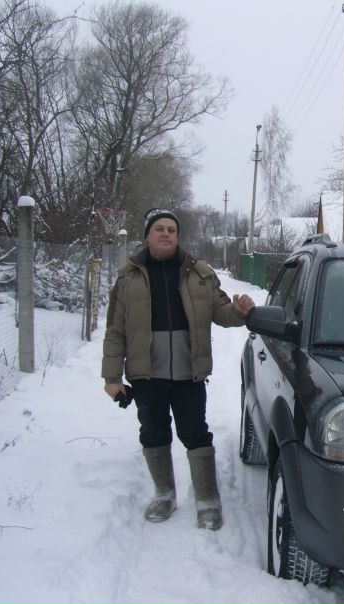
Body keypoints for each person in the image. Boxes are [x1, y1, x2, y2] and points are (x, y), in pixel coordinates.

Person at [101, 208, 255, 529]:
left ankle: (208, 500)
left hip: (189, 373)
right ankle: (164, 494)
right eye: (159, 229)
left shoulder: (199, 273)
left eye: (172, 229)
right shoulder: (127, 277)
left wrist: (239, 312)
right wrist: (112, 377)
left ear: (178, 236)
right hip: (146, 374)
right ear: (147, 235)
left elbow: (221, 312)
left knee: (194, 432)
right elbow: (115, 330)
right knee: (154, 432)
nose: (166, 234)